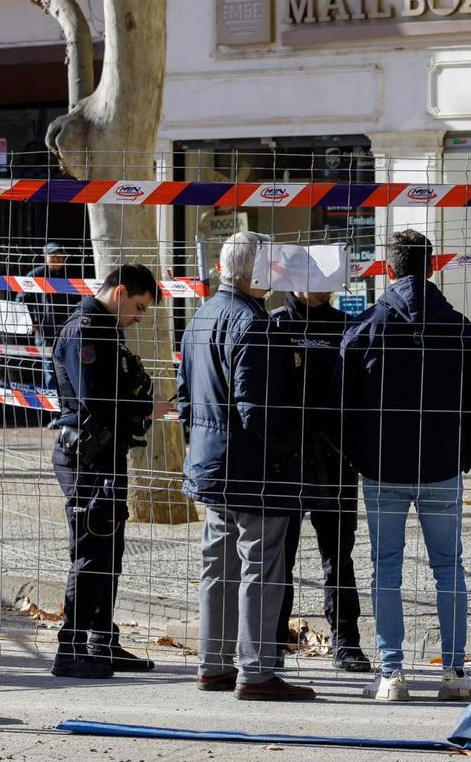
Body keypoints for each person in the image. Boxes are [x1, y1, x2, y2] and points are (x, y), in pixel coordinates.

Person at [339, 229, 471, 702]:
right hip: (441, 468)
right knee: (449, 567)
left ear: (388, 268)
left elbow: (341, 407)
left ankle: (391, 674)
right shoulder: (458, 325)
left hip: (383, 469)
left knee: (386, 569)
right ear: (432, 267)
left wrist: (360, 457)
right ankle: (454, 671)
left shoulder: (365, 327)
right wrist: (460, 455)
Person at [178, 231, 316, 701]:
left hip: (211, 464)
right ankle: (255, 670)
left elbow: (185, 398)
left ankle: (213, 663)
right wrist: (288, 457)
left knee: (218, 565)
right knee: (261, 565)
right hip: (253, 469)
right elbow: (256, 409)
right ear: (256, 272)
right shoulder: (253, 324)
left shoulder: (199, 318)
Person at [49, 264, 163, 679]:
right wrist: (144, 408)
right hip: (86, 459)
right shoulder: (86, 330)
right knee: (91, 551)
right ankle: (71, 648)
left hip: (105, 456)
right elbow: (96, 399)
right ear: (118, 292)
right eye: (138, 306)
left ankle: (101, 641)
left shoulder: (106, 329)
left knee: (108, 553)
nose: (139, 316)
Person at [269, 290, 371, 674]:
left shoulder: (346, 326)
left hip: (335, 460)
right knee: (281, 557)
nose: (320, 286)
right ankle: (274, 643)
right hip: (288, 461)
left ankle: (346, 642)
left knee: (338, 558)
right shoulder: (276, 323)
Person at [22, 241, 81, 393]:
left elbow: (81, 300)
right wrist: (32, 322)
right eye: (53, 257)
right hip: (45, 333)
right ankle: (54, 409)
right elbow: (21, 299)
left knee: (71, 370)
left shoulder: (72, 275)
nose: (57, 260)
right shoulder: (35, 275)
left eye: (61, 257)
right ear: (44, 257)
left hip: (68, 332)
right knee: (50, 371)